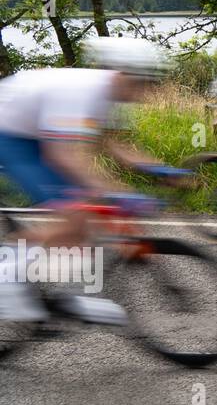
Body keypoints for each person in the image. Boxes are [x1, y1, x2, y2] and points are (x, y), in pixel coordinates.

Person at [0, 37, 189, 324]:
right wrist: (115, 192)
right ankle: (6, 279)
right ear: (122, 75)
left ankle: (64, 295)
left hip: (31, 132)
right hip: (11, 136)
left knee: (84, 219)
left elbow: (114, 145)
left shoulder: (109, 96)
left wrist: (162, 170)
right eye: (142, 82)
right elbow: (61, 155)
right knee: (75, 210)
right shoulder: (83, 91)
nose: (145, 90)